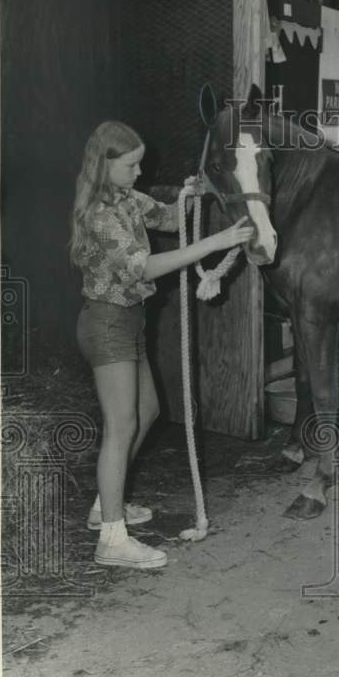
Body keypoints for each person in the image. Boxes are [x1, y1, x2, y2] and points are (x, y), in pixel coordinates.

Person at [70, 121, 254, 568]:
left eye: (140, 164)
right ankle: (112, 541)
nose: (139, 172)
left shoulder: (130, 199)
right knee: (121, 427)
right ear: (105, 164)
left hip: (130, 322)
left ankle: (104, 507)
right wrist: (216, 242)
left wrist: (194, 192)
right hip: (107, 324)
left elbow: (171, 217)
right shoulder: (100, 213)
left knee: (147, 412)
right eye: (131, 165)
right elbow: (144, 268)